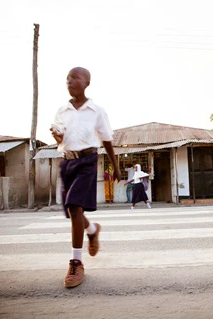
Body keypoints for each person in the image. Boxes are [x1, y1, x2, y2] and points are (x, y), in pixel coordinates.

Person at [51, 66, 120, 288]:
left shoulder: (96, 111)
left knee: (74, 206)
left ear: (87, 82)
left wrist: (115, 166)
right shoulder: (62, 111)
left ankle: (76, 263)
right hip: (67, 161)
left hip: (88, 161)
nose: (70, 81)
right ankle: (91, 230)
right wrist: (57, 136)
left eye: (75, 77)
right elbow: (59, 139)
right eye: (67, 78)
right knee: (74, 211)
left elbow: (107, 139)